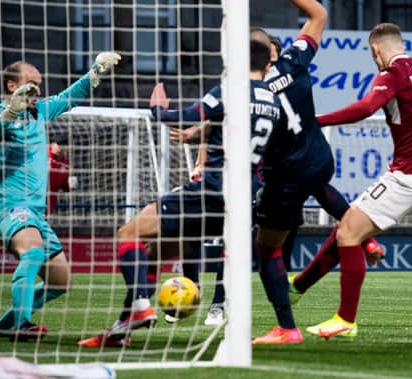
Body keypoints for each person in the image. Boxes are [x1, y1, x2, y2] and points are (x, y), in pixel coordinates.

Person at [78, 38, 284, 348]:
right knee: (151, 255)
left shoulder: (231, 89)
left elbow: (183, 115)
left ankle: (140, 309)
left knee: (128, 234)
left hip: (210, 191)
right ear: (268, 65)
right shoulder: (275, 101)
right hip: (243, 201)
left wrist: (157, 109)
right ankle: (122, 329)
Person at [299, 22, 412, 339]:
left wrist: (316, 121)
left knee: (348, 235)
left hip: (408, 178)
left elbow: (365, 108)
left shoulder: (392, 75)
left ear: (376, 49)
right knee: (348, 223)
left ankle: (345, 320)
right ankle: (298, 286)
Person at [0, 53, 121, 340]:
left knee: (60, 282)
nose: (37, 91)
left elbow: (69, 96)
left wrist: (96, 72)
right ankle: (21, 324)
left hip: (36, 214)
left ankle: (4, 326)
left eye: (39, 85)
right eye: (30, 84)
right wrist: (10, 113)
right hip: (8, 207)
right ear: (11, 85)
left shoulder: (39, 111)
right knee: (33, 252)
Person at [248, 0, 355, 345]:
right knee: (321, 198)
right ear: (270, 55)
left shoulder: (248, 95)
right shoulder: (294, 62)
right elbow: (319, 13)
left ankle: (286, 327)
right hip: (319, 160)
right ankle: (362, 234)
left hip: (286, 175)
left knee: (267, 250)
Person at [47, 132, 78, 216]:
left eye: (64, 144)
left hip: (50, 200)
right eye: (59, 144)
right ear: (52, 144)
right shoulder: (43, 155)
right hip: (35, 196)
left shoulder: (66, 164)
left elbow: (65, 187)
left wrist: (71, 184)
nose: (61, 147)